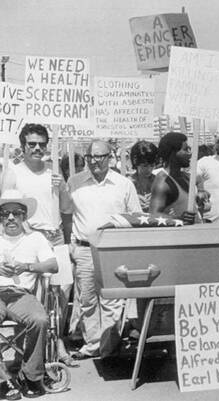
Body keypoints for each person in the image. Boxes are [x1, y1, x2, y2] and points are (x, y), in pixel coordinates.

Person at [0, 124, 75, 367]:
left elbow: (66, 209)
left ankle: (58, 341)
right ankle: (29, 348)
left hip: (55, 237)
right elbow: (7, 207)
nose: (37, 148)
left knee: (61, 291)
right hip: (30, 236)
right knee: (32, 292)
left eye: (42, 144)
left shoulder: (53, 172)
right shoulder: (13, 172)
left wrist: (62, 187)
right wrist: (26, 228)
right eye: (32, 144)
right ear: (23, 147)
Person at [66, 140, 142, 360]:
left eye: (100, 156)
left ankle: (108, 349)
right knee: (87, 300)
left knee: (112, 301)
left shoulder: (123, 184)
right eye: (90, 157)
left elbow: (134, 217)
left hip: (112, 251)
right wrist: (71, 244)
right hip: (83, 249)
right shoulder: (74, 182)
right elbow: (68, 216)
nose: (95, 161)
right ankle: (93, 345)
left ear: (110, 156)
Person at [0, 190, 58, 398]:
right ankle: (3, 380)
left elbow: (53, 265)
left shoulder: (36, 238)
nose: (10, 218)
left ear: (24, 216)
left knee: (40, 319)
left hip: (21, 294)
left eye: (16, 213)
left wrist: (27, 266)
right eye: (5, 214)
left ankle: (31, 375)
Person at [149, 133, 202, 224]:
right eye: (185, 149)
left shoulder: (185, 177)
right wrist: (179, 219)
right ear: (173, 153)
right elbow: (153, 215)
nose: (190, 153)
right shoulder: (163, 183)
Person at [129, 140, 158, 213]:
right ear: (136, 163)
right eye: (144, 166)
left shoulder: (160, 182)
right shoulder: (127, 183)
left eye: (152, 165)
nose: (149, 169)